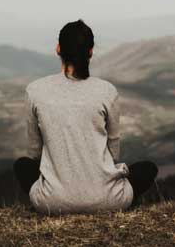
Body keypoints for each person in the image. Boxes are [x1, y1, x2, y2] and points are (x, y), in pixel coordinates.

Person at [14, 19, 158, 214]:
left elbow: (35, 153)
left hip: (52, 202)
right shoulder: (107, 91)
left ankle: (56, 196)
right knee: (147, 168)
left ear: (58, 49)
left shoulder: (35, 90)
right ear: (90, 52)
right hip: (109, 201)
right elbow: (113, 154)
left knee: (22, 166)